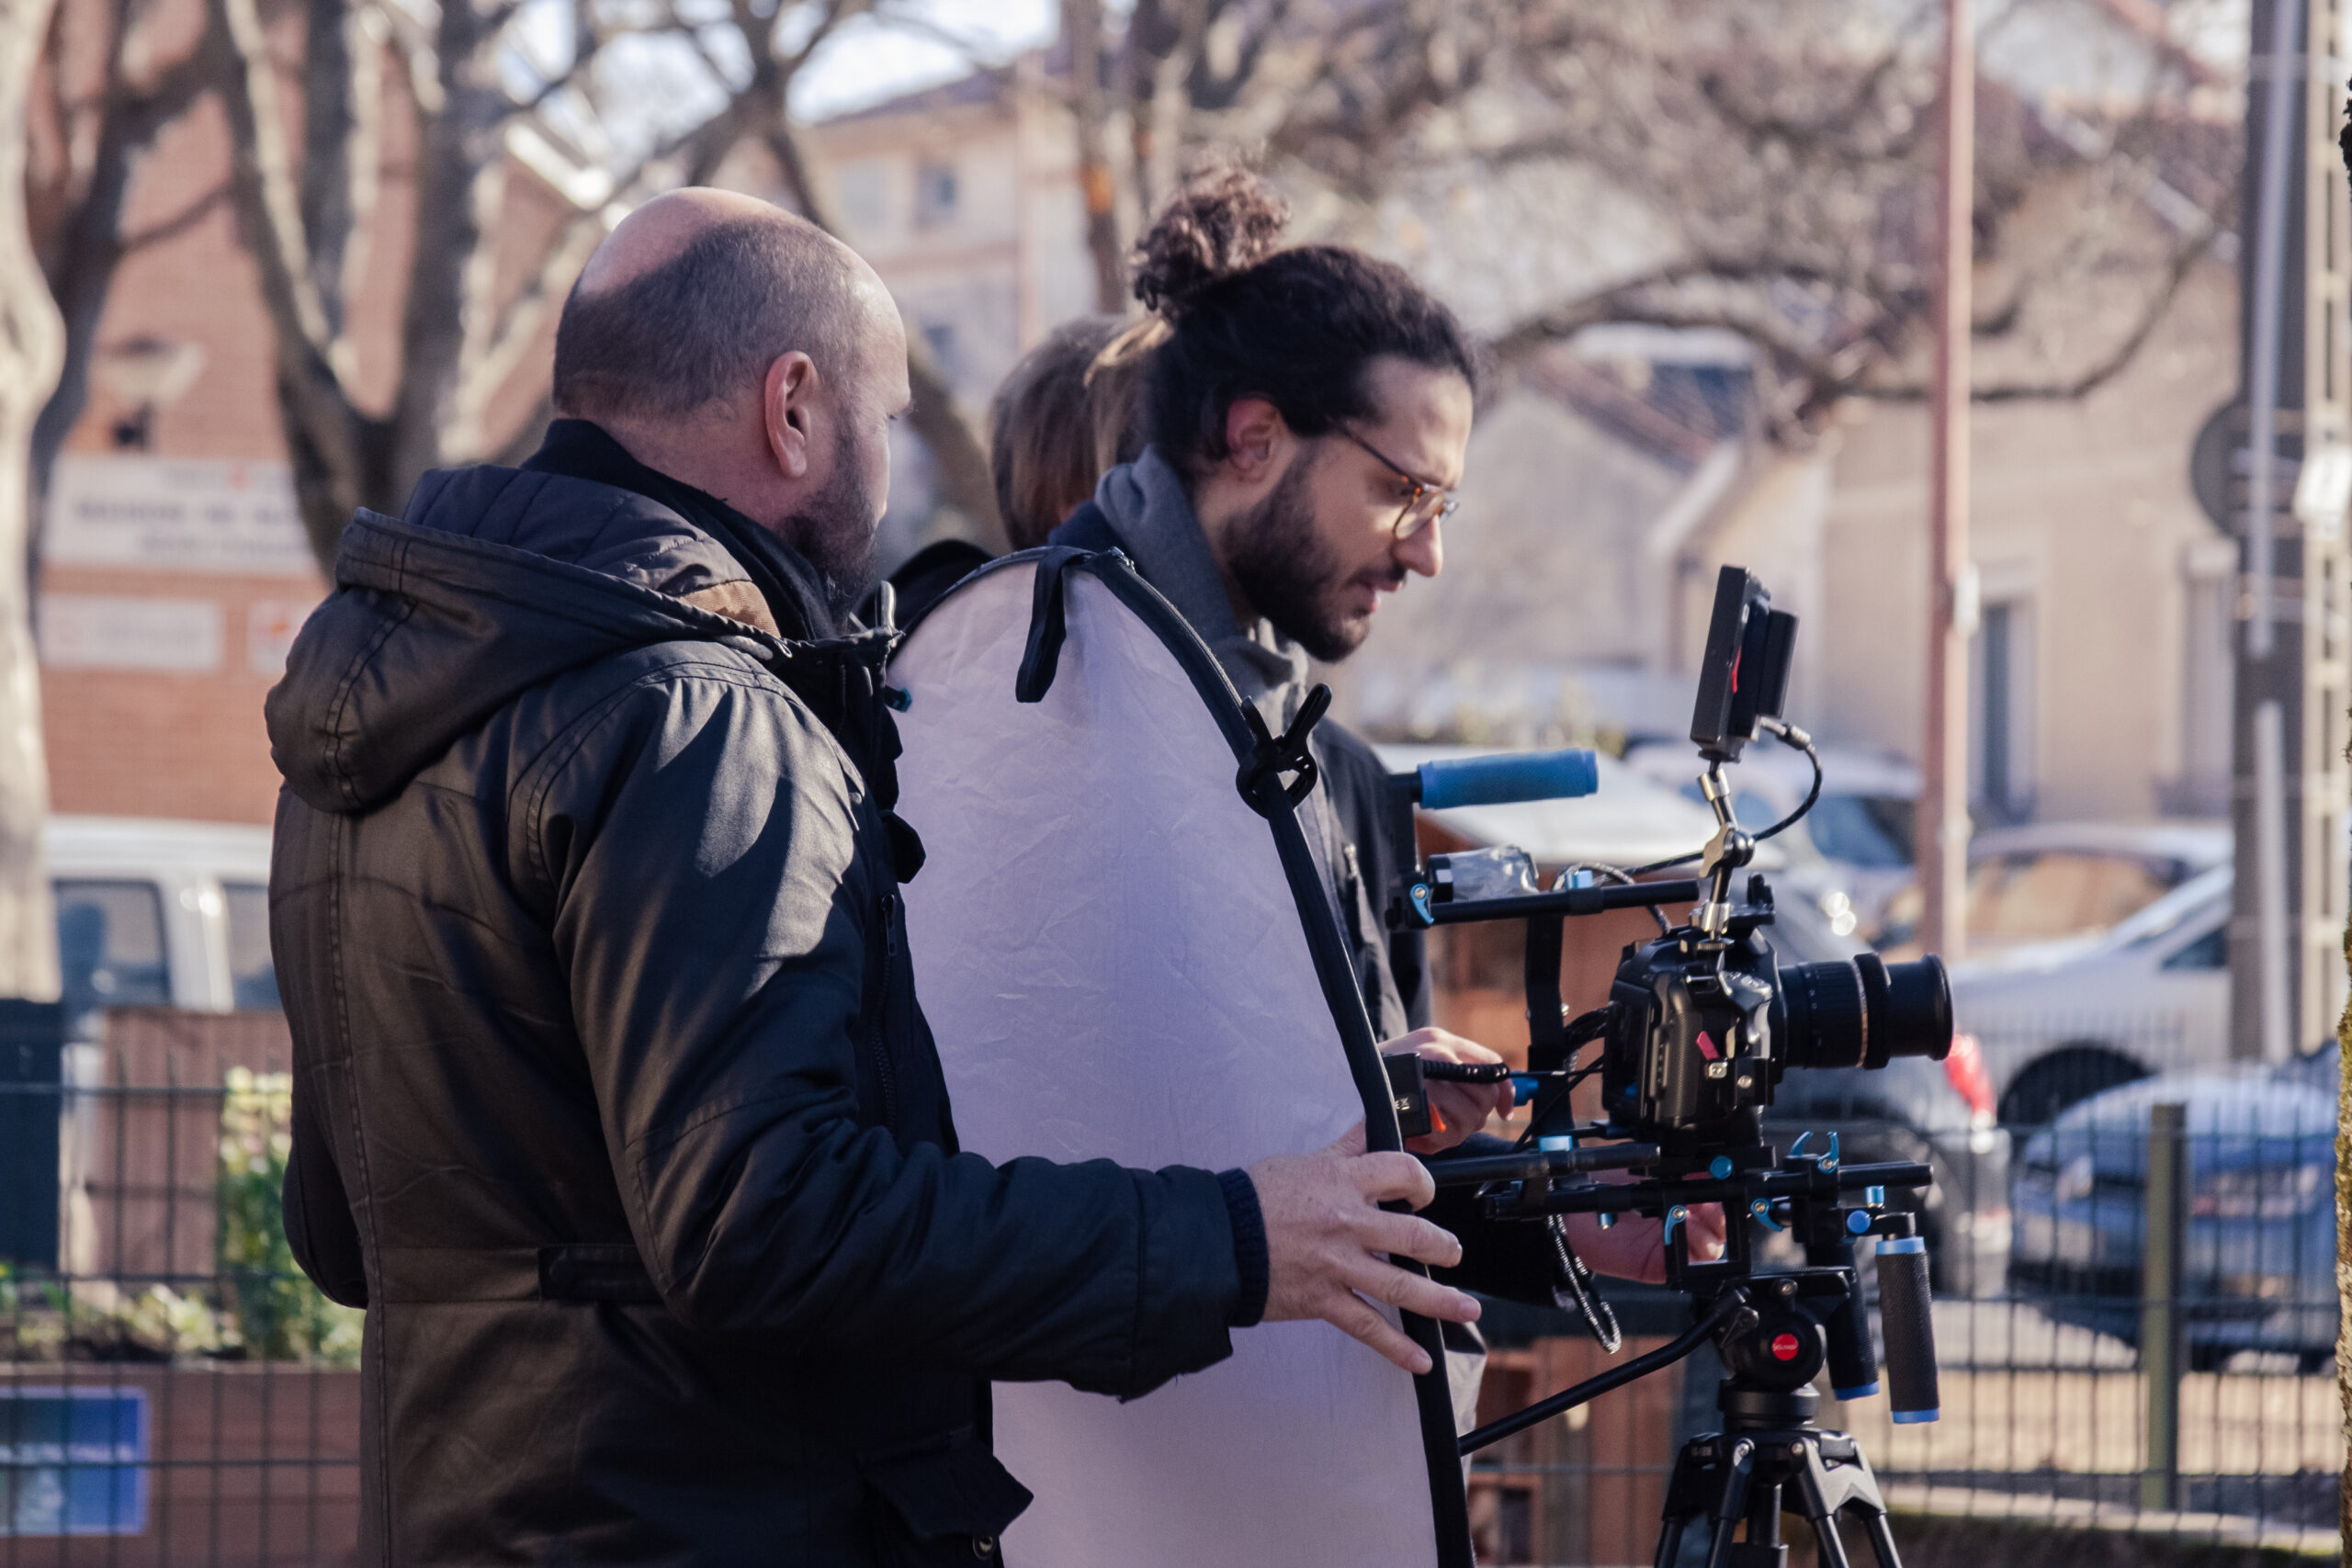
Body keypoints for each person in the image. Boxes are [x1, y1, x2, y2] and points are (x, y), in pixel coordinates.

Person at [262, 187, 1487, 1568]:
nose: (895, 468)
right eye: (889, 416)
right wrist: (1237, 1238)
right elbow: (766, 1218)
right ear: (794, 408)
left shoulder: (369, 727)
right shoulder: (704, 718)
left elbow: (343, 1233)